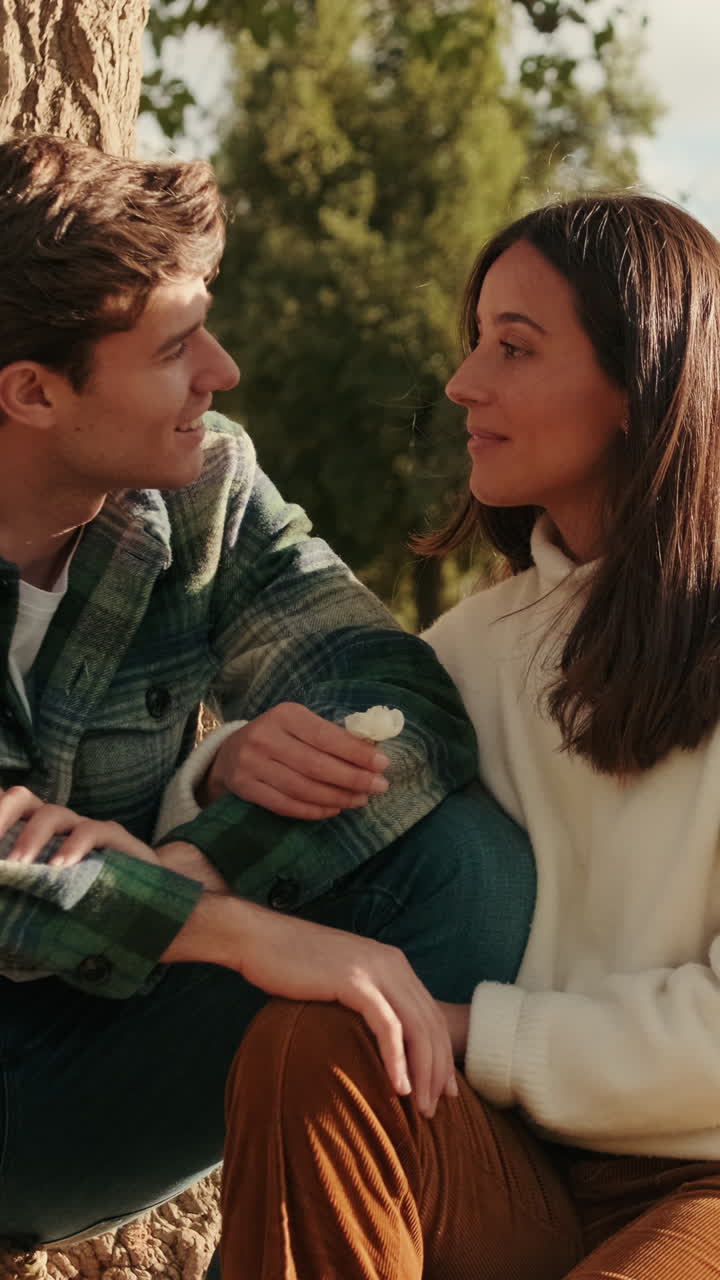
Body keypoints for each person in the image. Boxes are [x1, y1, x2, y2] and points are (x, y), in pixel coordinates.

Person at [0, 134, 536, 1254]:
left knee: (466, 867)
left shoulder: (204, 487)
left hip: (95, 1033)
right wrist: (239, 932)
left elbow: (393, 691)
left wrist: (203, 858)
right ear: (33, 391)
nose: (223, 370)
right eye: (176, 347)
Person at [223, 192, 720, 1280]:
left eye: (514, 346)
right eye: (476, 340)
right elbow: (293, 862)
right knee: (314, 1044)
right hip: (510, 1165)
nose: (460, 383)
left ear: (638, 384)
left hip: (704, 1183)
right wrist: (227, 764)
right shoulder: (470, 648)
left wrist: (469, 1031)